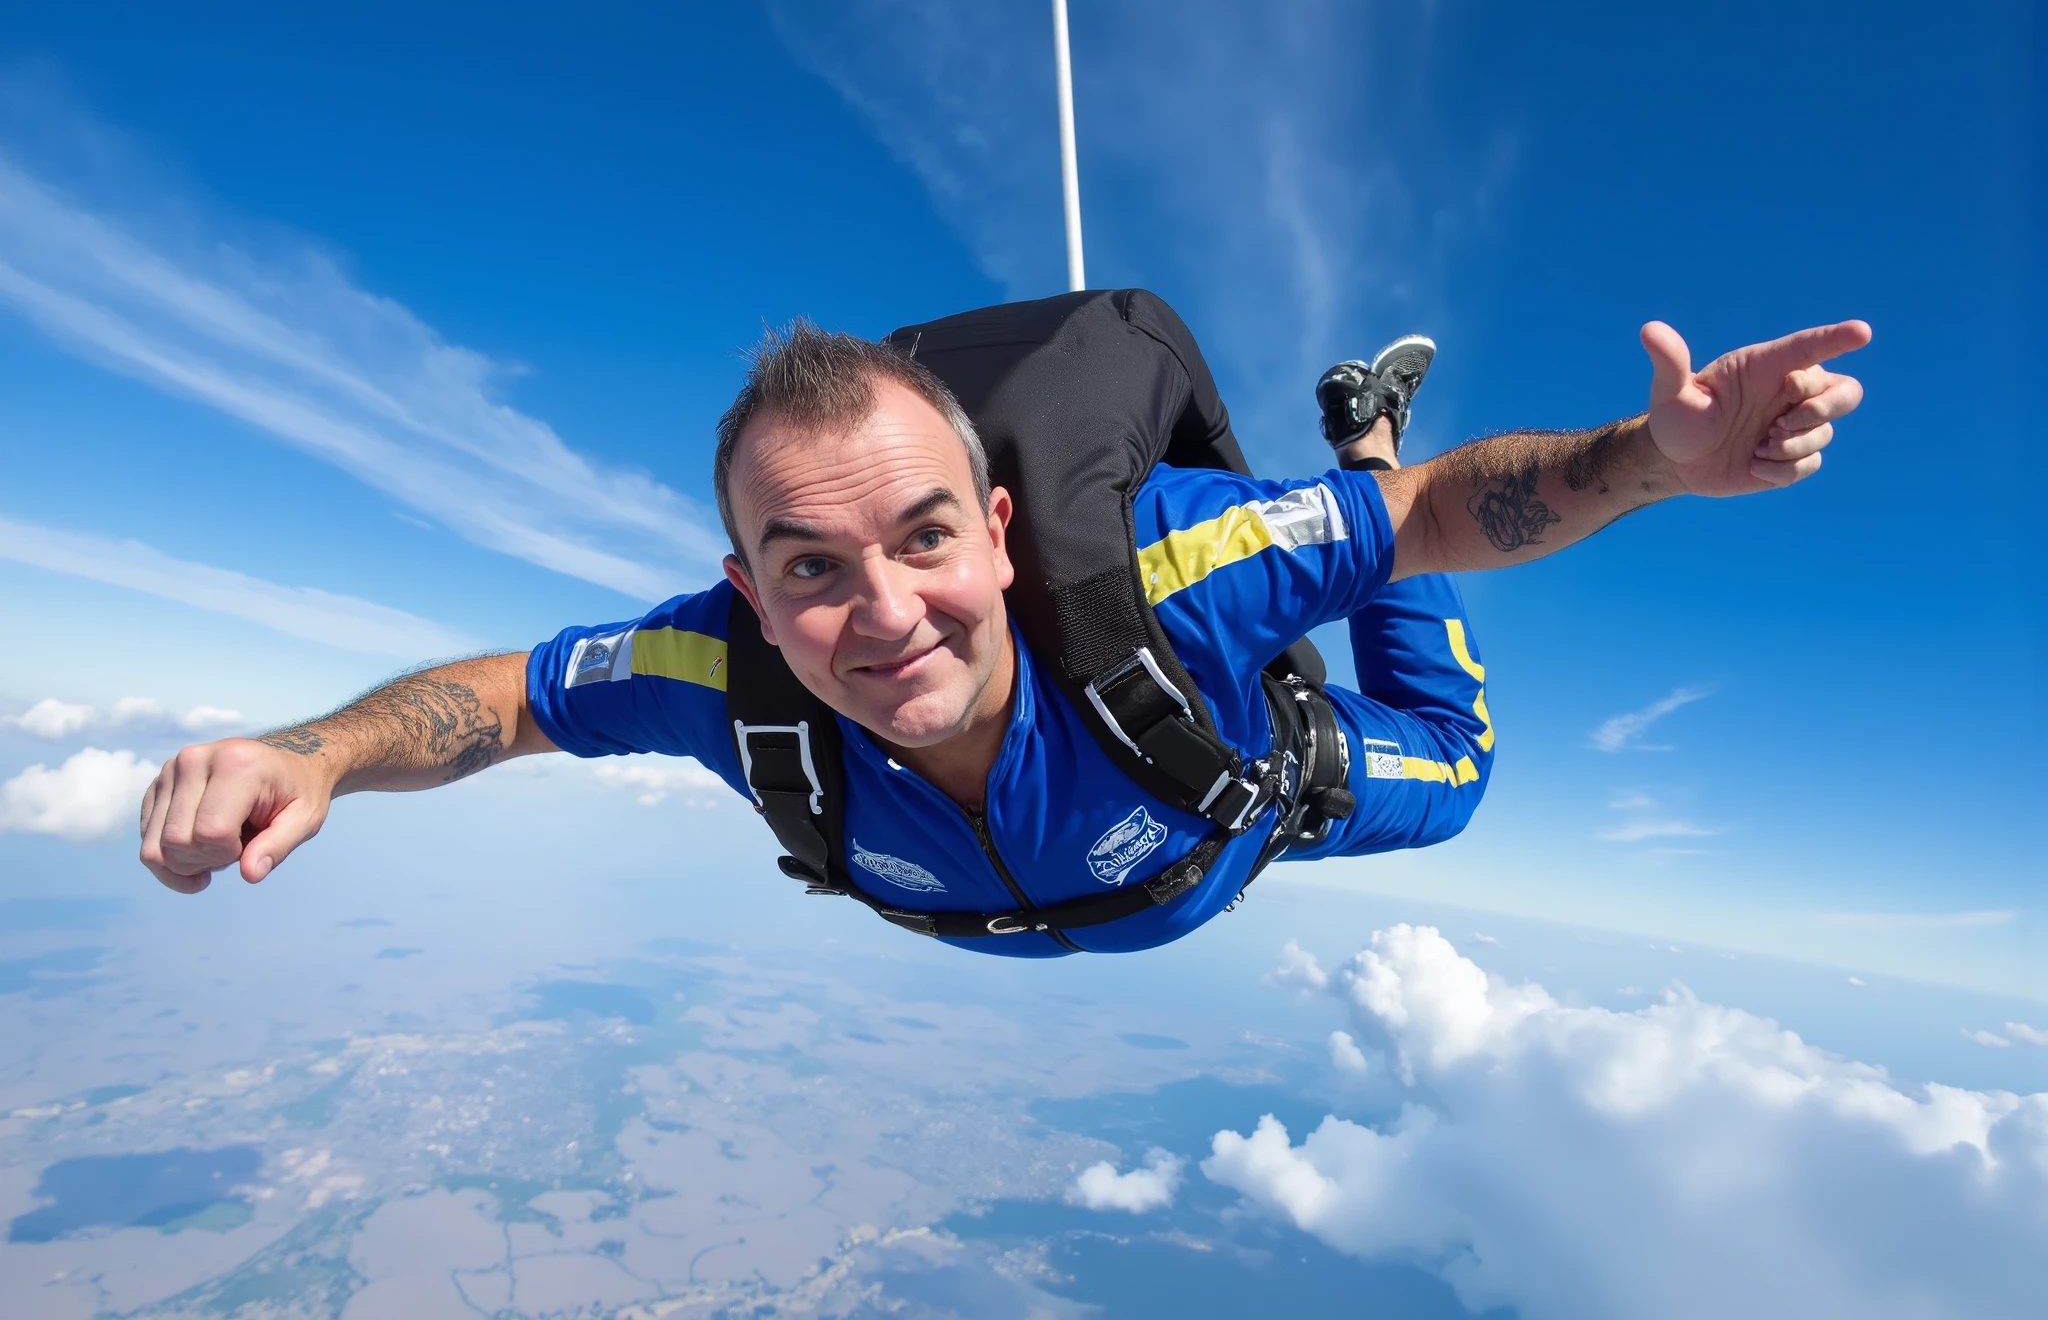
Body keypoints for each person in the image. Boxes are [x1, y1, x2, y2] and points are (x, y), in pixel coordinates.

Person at [137, 307, 1868, 957]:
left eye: (922, 537)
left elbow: (1435, 524)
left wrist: (1650, 462)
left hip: (1227, 782)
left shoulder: (1167, 580)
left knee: (1457, 754)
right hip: (1117, 865)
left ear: (1003, 530)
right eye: (809, 567)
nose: (881, 613)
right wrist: (316, 755)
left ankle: (1357, 416)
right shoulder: (725, 678)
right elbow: (508, 697)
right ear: (747, 591)